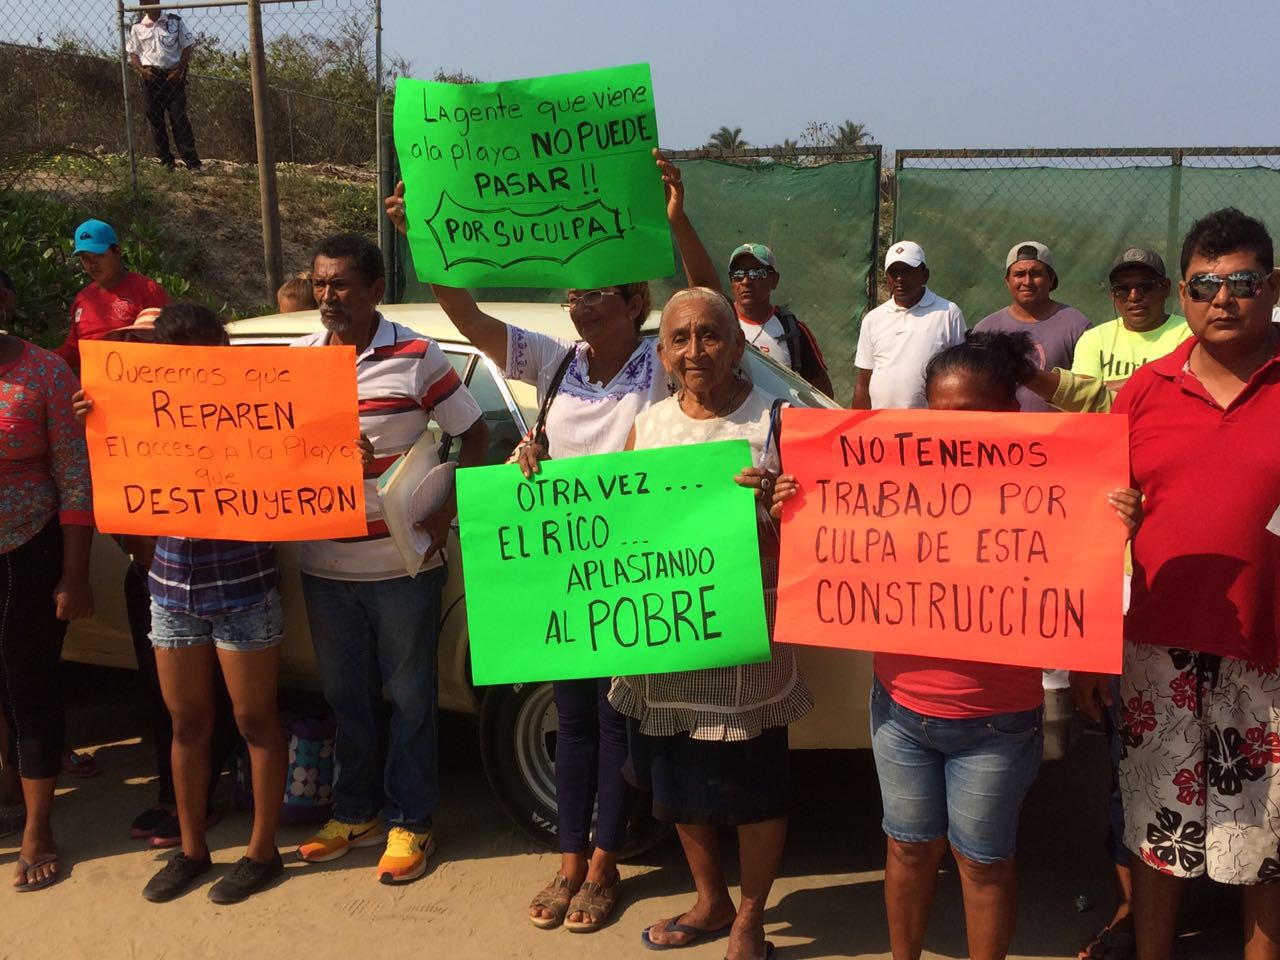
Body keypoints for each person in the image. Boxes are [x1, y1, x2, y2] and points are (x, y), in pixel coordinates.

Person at [385, 149, 718, 930]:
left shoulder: (661, 365)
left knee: (612, 722)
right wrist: (423, 246)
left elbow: (715, 317)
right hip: (563, 572)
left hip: (633, 568)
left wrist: (676, 222)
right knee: (569, 722)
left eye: (594, 290)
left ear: (636, 298)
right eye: (571, 292)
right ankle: (569, 862)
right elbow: (468, 321)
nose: (576, 302)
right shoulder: (554, 362)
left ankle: (605, 865)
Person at [775, 331, 1141, 960]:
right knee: (908, 848)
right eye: (940, 414)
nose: (954, 431)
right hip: (900, 712)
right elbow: (832, 557)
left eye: (973, 416)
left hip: (997, 723)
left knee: (983, 862)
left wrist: (1116, 527)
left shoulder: (1056, 489)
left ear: (1011, 417)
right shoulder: (895, 478)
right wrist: (797, 505)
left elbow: (1087, 574)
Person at [1072, 208, 1280, 960]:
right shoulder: (1143, 395)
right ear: (1184, 296)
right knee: (1156, 834)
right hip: (1155, 653)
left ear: (1273, 285)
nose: (1223, 299)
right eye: (1205, 285)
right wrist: (1095, 651)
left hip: (1269, 655)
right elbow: (1086, 529)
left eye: (1242, 282)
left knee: (1267, 839)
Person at [610, 287, 813, 960]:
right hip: (669, 642)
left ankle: (750, 917)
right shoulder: (649, 425)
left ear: (736, 345)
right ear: (663, 353)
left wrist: (784, 511)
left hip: (747, 641)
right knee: (677, 779)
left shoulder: (775, 421)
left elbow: (815, 540)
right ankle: (710, 899)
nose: (695, 350)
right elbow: (617, 529)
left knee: (754, 785)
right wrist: (531, 476)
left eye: (710, 335)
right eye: (680, 338)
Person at [292, 234, 489, 886]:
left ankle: (412, 821)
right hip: (323, 567)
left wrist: (445, 509)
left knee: (409, 700)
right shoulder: (297, 362)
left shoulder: (415, 355)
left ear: (376, 290)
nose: (327, 297)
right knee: (348, 699)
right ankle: (355, 813)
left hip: (401, 569)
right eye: (320, 284)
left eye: (341, 284)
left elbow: (475, 435)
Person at [75, 303, 288, 903]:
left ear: (222, 351)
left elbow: (301, 465)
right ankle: (192, 849)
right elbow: (115, 495)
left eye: (206, 357)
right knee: (187, 722)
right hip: (170, 588)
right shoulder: (140, 413)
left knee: (253, 719)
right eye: (181, 361)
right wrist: (97, 425)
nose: (195, 372)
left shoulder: (256, 411)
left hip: (243, 583)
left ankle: (260, 851)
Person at [0, 281, 95, 891]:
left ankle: (37, 827)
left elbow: (74, 479)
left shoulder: (44, 374)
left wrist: (74, 572)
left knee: (28, 686)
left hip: (25, 552)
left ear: (5, 301)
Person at [974, 241, 1091, 411]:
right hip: (1002, 434)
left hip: (1058, 433)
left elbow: (1086, 390)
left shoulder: (1078, 326)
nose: (1027, 281)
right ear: (1007, 281)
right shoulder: (986, 329)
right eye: (1019, 274)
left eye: (1036, 273)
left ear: (1051, 280)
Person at [852, 240, 967, 409]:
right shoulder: (873, 319)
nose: (900, 278)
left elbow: (961, 374)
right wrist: (857, 426)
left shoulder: (948, 313)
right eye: (893, 272)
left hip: (929, 425)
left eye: (907, 271)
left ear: (924, 275)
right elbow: (864, 379)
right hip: (881, 426)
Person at [1071, 248, 1189, 396]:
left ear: (1166, 288)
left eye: (1145, 287)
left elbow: (1180, 391)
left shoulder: (1188, 335)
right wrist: (1154, 383)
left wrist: (1103, 390)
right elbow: (1081, 395)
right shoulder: (1094, 338)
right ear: (1113, 295)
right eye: (1122, 290)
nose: (1134, 297)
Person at [55, 219, 170, 371]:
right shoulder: (83, 299)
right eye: (85, 258)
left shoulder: (148, 291)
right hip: (94, 391)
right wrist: (40, 359)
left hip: (139, 385)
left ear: (117, 252)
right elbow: (73, 350)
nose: (92, 264)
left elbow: (169, 345)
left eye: (98, 255)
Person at [728, 243, 834, 396]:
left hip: (779, 419)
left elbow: (823, 395)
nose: (745, 281)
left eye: (756, 274)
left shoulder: (794, 331)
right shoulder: (720, 325)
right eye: (738, 274)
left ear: (774, 280)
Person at [126, 2, 201, 171]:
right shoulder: (137, 27)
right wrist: (142, 71)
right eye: (144, 2)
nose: (147, 5)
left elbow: (187, 46)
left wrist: (180, 71)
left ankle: (192, 162)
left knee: (179, 118)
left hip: (172, 77)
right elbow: (133, 53)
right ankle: (166, 162)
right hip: (151, 78)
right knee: (155, 119)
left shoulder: (175, 22)